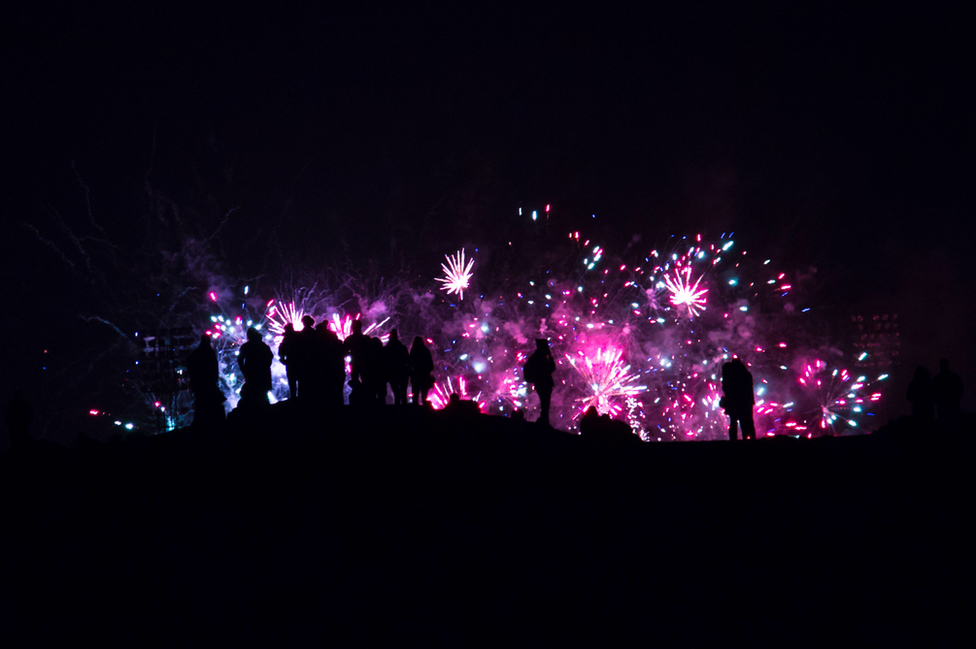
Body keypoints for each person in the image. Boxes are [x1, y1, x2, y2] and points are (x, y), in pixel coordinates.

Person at [186, 333, 225, 426]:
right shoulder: (209, 352)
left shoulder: (196, 353)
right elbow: (214, 367)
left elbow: (190, 366)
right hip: (207, 383)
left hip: (199, 383)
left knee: (202, 404)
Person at [721, 357, 756, 441]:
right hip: (747, 402)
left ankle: (734, 440)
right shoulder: (746, 374)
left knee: (733, 422)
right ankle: (750, 439)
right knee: (747, 421)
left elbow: (726, 388)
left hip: (734, 402)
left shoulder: (731, 375)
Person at [238, 327, 274, 407]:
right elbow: (270, 357)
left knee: (253, 392)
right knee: (262, 393)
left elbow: (240, 360)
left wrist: (244, 370)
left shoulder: (246, 346)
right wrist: (266, 367)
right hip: (263, 373)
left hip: (251, 372)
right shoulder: (263, 346)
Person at [524, 339, 556, 425]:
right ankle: (544, 420)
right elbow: (552, 368)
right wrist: (550, 356)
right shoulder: (541, 358)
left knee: (544, 402)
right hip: (544, 383)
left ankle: (544, 419)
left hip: (540, 383)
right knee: (545, 402)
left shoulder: (536, 357)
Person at [932, 358, 964, 423]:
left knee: (943, 425)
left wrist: (938, 401)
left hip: (942, 407)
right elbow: (960, 390)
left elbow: (933, 392)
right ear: (948, 365)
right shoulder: (955, 377)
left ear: (940, 366)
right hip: (953, 406)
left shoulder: (937, 379)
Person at [385, 329, 410, 406]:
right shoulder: (402, 348)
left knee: (396, 392)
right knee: (403, 393)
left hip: (392, 373)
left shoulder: (387, 348)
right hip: (403, 373)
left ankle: (397, 410)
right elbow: (407, 360)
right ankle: (404, 412)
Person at [408, 336, 434, 406]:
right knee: (424, 395)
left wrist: (411, 373)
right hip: (425, 376)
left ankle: (415, 410)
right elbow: (431, 366)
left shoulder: (413, 352)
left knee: (415, 394)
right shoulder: (426, 351)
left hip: (416, 376)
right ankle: (425, 411)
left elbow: (410, 364)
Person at [278, 323, 298, 399]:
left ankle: (293, 397)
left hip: (291, 361)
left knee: (291, 380)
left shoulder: (286, 338)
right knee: (300, 379)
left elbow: (281, 350)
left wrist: (282, 359)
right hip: (299, 361)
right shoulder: (298, 336)